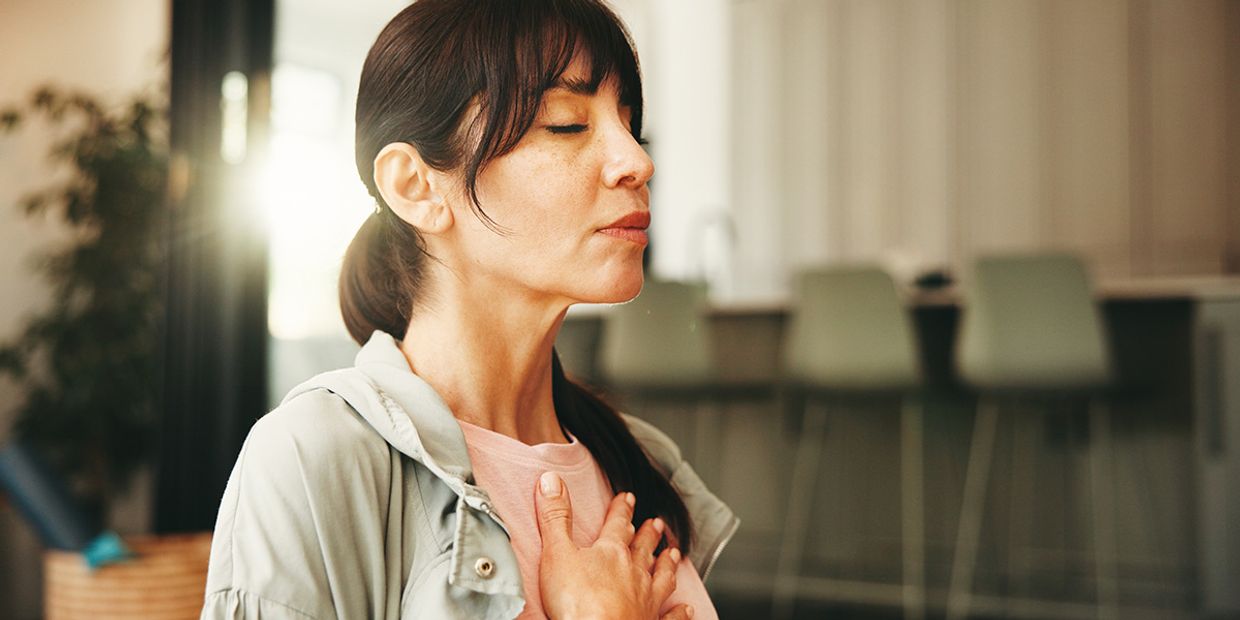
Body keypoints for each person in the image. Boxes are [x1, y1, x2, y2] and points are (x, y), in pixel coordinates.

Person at [201, 1, 738, 618]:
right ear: (416, 186)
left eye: (628, 124)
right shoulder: (313, 458)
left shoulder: (639, 462)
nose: (638, 163)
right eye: (567, 124)